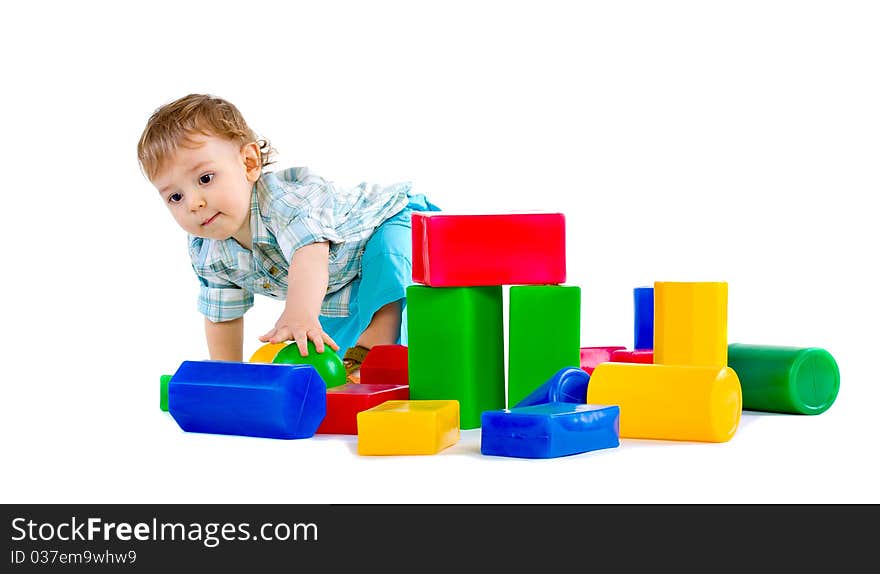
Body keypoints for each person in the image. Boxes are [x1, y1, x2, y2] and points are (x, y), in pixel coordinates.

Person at [137, 94, 439, 382]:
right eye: (175, 196)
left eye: (205, 179)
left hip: (392, 222)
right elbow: (222, 315)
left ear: (249, 163)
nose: (193, 203)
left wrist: (298, 313)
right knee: (326, 349)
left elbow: (311, 255)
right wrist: (228, 375)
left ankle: (377, 345)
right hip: (343, 280)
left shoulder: (283, 202)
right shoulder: (208, 250)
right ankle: (359, 354)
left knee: (385, 257)